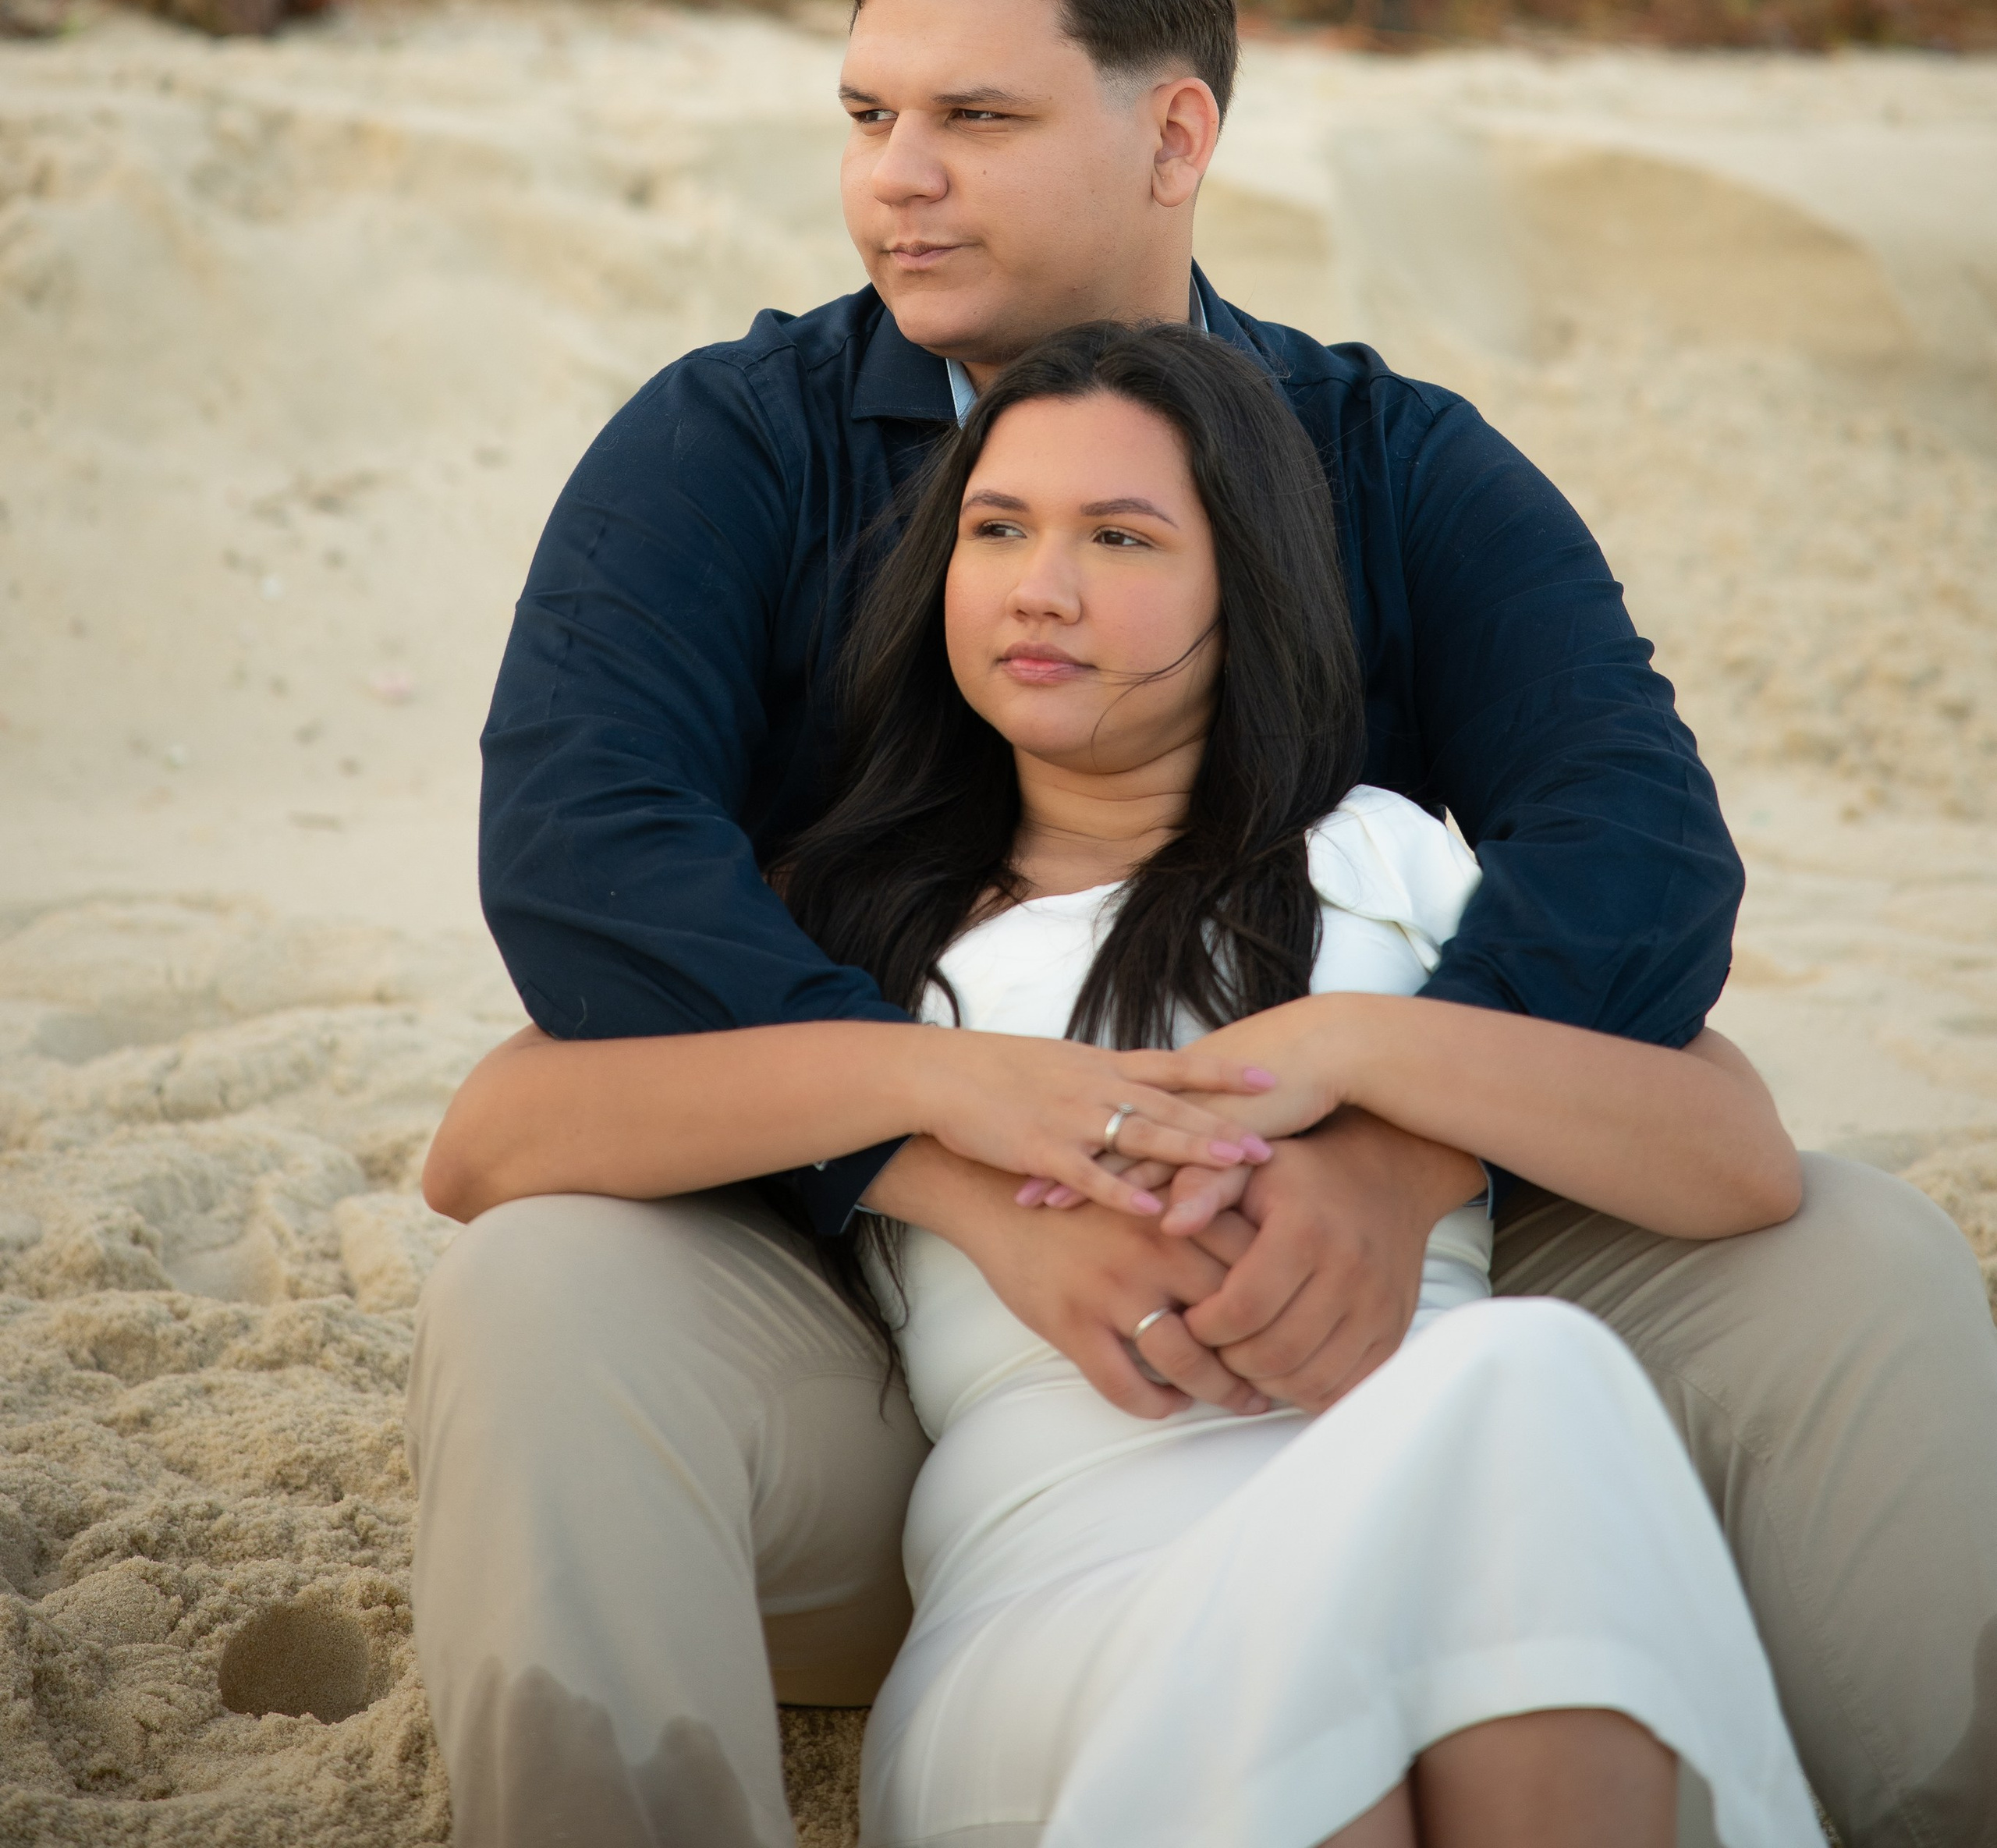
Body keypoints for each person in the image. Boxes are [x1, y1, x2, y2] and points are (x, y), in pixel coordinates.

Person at [408, 0, 1997, 1848]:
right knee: (536, 1286)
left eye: (974, 117)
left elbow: (1634, 858)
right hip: (864, 1313)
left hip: (1383, 1292)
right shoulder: (732, 447)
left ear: (1175, 136)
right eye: (867, 116)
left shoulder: (1385, 463)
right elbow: (583, 871)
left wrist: (1391, 1159)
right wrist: (952, 1155)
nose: (895, 175)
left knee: (1852, 1254)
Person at [427, 320, 1822, 1846]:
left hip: (1457, 1506)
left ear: (1252, 581)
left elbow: (1734, 1156)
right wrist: (942, 1102)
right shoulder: (852, 918)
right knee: (1473, 1450)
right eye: (997, 528)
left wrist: (1358, 1057)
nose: (1040, 586)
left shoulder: (1392, 862)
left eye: (1120, 536)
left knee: (1523, 1384)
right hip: (1078, 1585)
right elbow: (489, 1139)